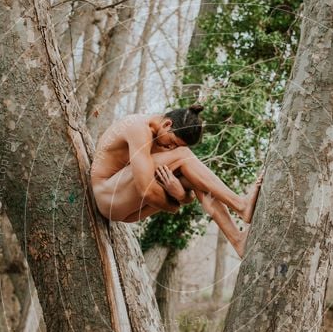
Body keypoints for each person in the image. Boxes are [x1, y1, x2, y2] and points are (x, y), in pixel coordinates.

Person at [90, 106, 263, 257]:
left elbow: (188, 197)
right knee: (184, 156)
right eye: (172, 142)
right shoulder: (138, 129)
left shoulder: (164, 142)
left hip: (126, 207)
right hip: (107, 196)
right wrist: (175, 205)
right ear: (167, 124)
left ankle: (237, 240)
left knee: (195, 178)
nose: (171, 148)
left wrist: (180, 194)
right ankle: (240, 205)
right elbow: (145, 190)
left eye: (175, 146)